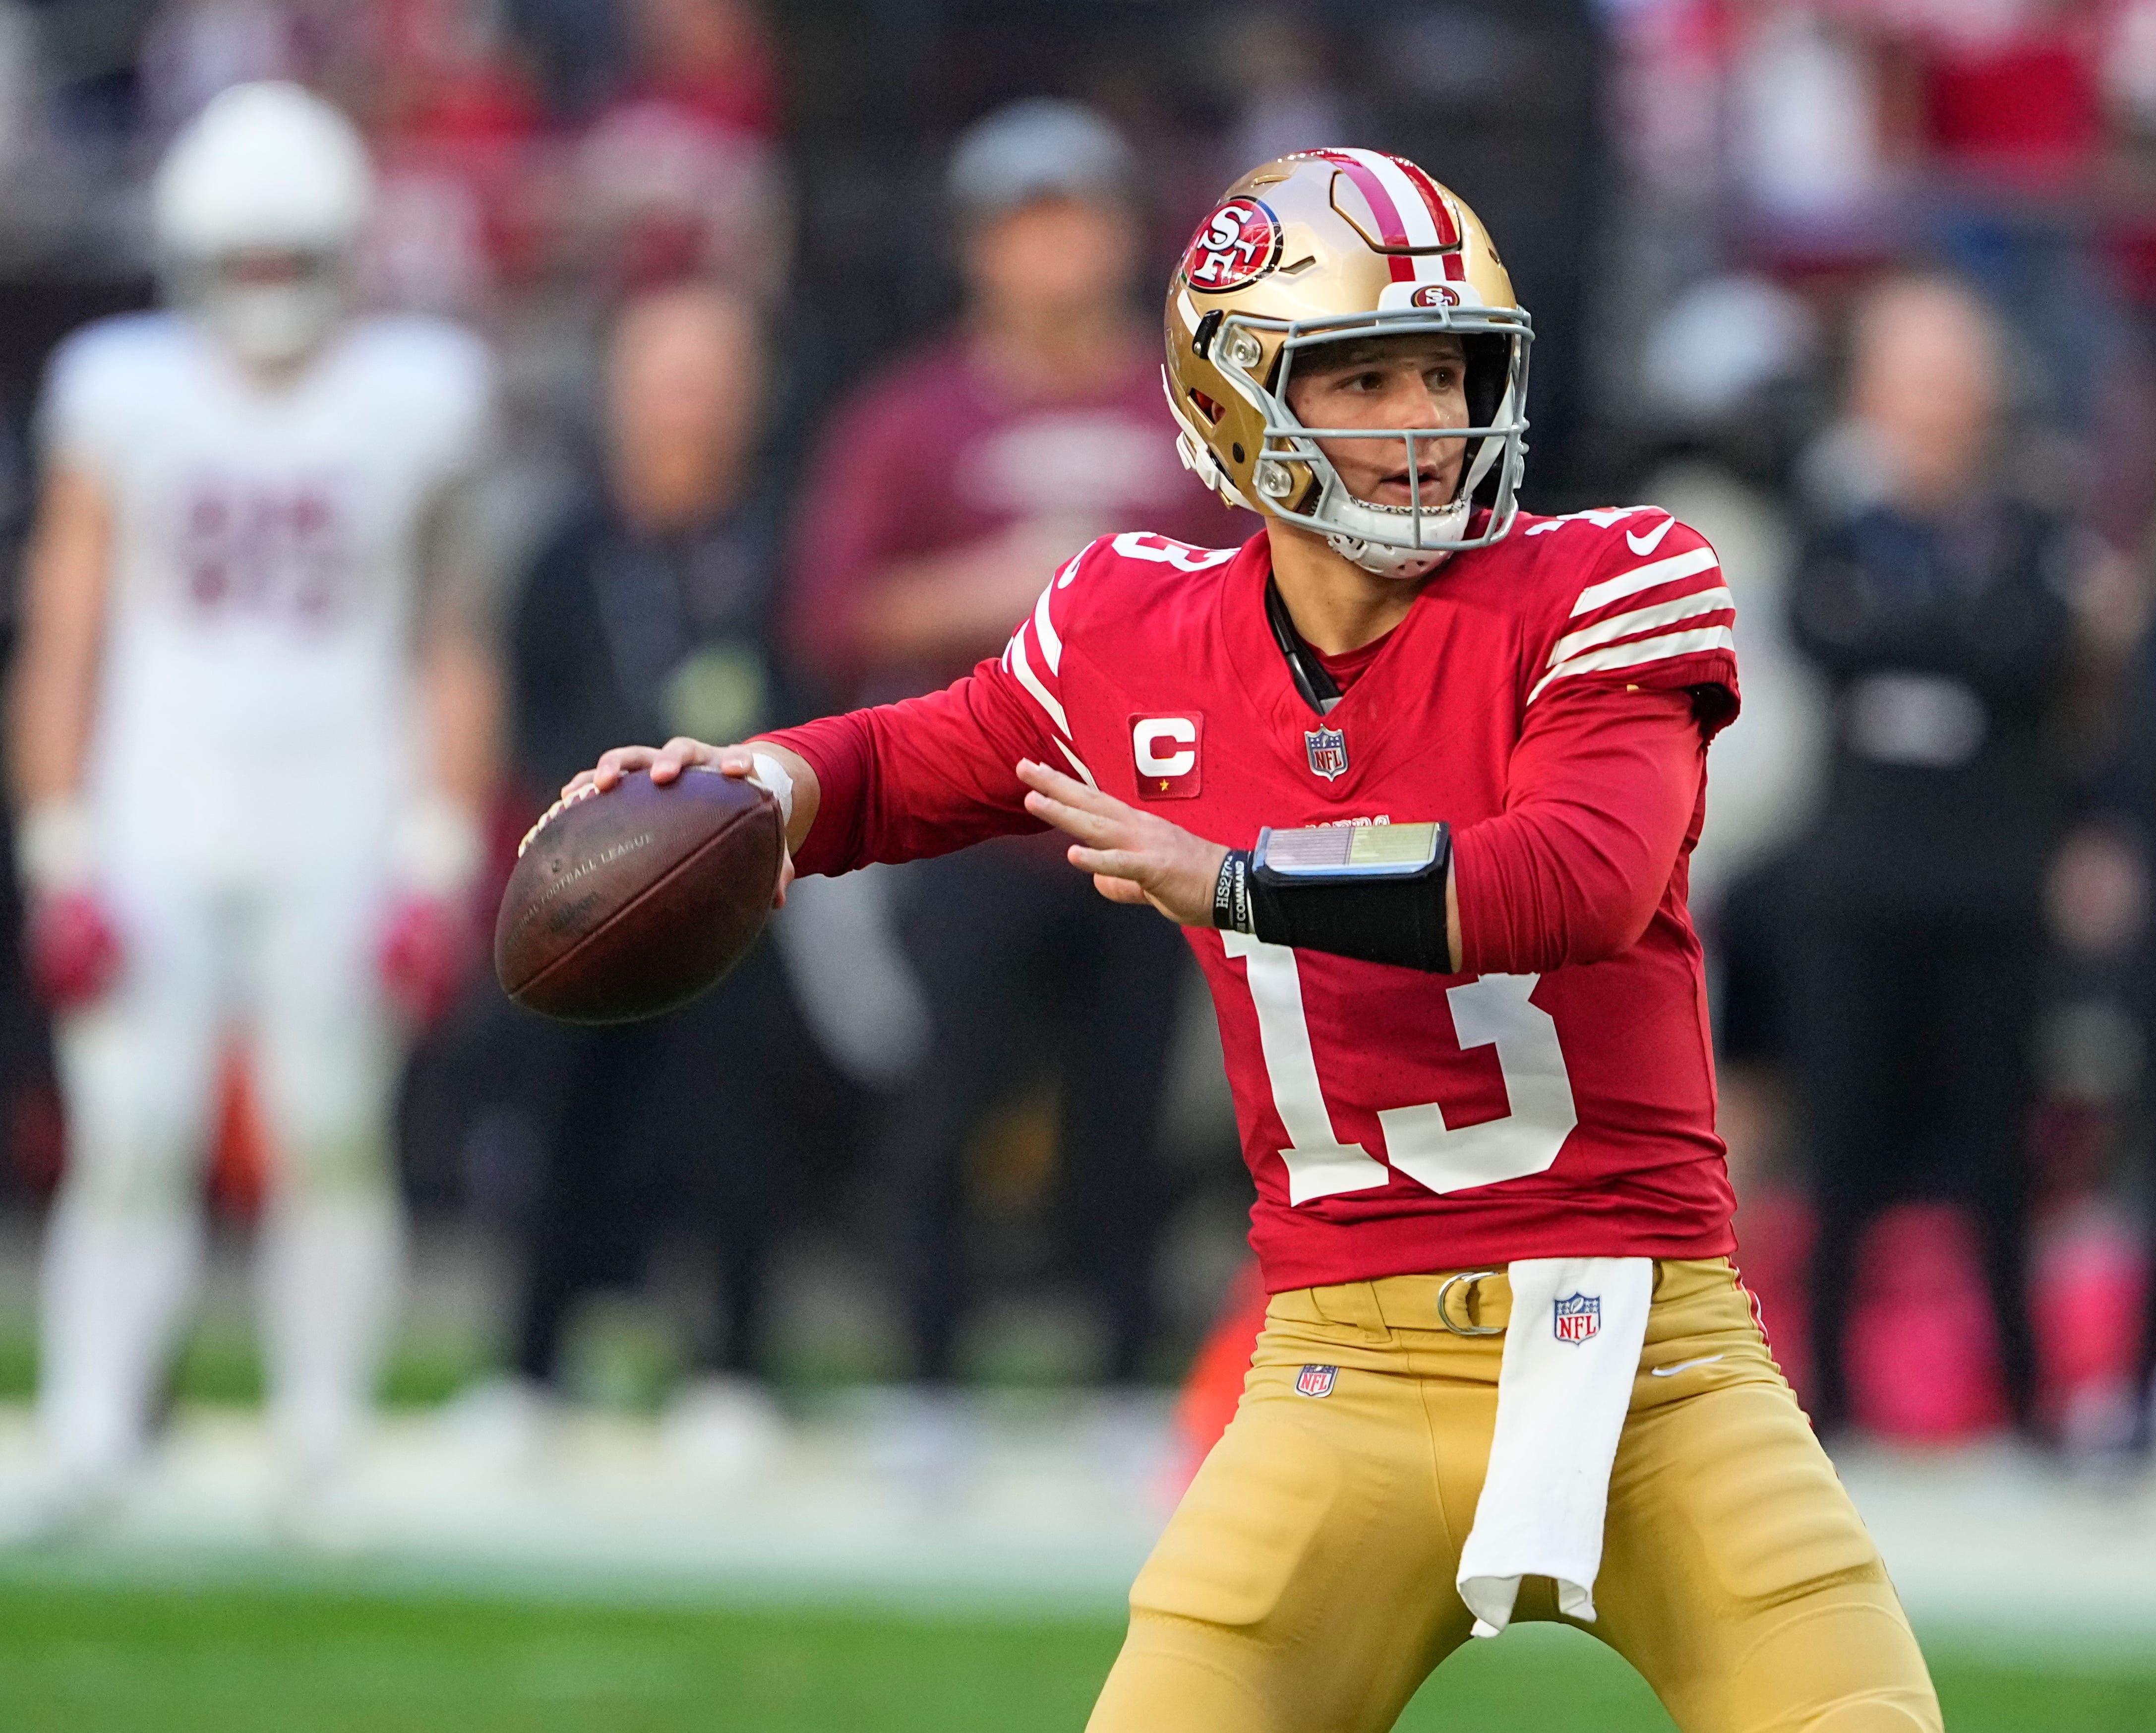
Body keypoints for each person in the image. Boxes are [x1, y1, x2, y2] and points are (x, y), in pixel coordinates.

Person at [566, 149, 1940, 1730]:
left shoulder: (1606, 583)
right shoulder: (1132, 627)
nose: (1425, 415)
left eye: (1449, 367)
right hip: (1337, 1372)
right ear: (1233, 398)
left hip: (1650, 1356)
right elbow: (912, 761)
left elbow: (1575, 879)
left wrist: (1233, 877)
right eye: (1365, 376)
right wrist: (751, 783)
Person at [3, 83, 499, 1537]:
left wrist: (436, 845)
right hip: (156, 800)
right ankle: (94, 1428)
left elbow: (449, 635)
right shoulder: (123, 388)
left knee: (331, 1129)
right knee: (131, 1129)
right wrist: (57, 843)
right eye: (248, 262)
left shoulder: (420, 390)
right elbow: (69, 626)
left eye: (293, 261)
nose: (268, 294)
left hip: (340, 803)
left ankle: (322, 1440)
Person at [783, 99, 1244, 1389]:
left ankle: (1115, 1372)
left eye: (1076, 222)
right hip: (976, 821)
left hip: (1151, 824)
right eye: (1027, 226)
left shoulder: (1197, 414)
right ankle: (924, 1374)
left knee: (1132, 1118)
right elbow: (829, 613)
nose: (1053, 255)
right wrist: (986, 589)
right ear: (980, 246)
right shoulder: (911, 417)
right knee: (946, 1110)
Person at [464, 281, 810, 1473]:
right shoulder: (568, 551)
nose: (686, 407)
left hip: (737, 886)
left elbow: (816, 697)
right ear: (619, 395)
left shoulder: (771, 540)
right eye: (666, 379)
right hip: (587, 889)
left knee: (733, 1133)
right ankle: (529, 1367)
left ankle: (734, 1370)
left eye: (711, 381)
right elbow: (522, 707)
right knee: (558, 1122)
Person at [1783, 275, 2081, 1441]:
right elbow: (1826, 641)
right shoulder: (1841, 529)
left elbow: (2032, 657)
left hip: (1991, 880)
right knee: (1842, 1134)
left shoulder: (2026, 528)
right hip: (1861, 876)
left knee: (2000, 1142)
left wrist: (1918, 647)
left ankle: (2022, 1390)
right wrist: (1964, 646)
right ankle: (1825, 1393)